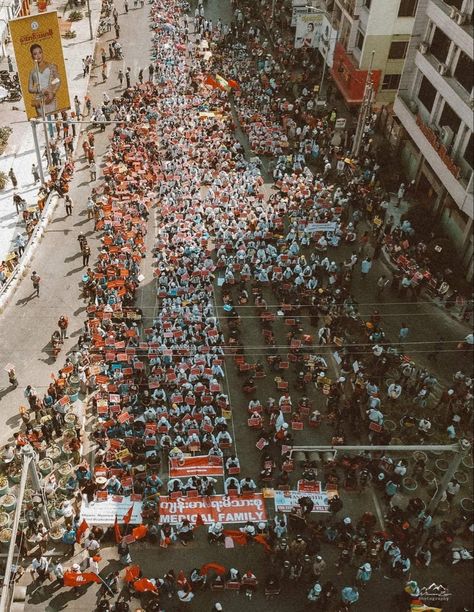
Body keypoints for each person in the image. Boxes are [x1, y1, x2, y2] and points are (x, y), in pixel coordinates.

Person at [28, 44, 61, 116]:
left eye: (40, 52)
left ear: (42, 53)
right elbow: (30, 89)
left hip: (50, 97)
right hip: (39, 101)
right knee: (43, 121)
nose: (38, 55)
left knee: (54, 118)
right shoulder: (32, 72)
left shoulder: (51, 66)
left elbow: (58, 79)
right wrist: (40, 90)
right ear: (32, 56)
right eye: (35, 54)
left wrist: (53, 91)